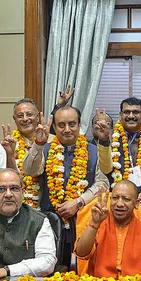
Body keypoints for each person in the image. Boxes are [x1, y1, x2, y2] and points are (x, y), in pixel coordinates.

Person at [23, 106, 109, 266]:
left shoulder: (94, 151)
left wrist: (79, 201)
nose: (67, 129)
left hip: (84, 223)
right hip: (50, 225)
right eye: (61, 125)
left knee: (81, 270)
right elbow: (30, 170)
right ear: (54, 127)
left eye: (72, 124)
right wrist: (39, 144)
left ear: (79, 125)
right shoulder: (45, 149)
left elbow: (102, 184)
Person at [74, 180, 141, 277]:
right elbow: (81, 253)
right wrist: (94, 224)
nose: (119, 204)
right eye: (115, 198)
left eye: (126, 199)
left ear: (136, 203)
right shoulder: (98, 224)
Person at [94, 98, 141, 201]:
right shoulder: (110, 137)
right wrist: (103, 140)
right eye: (126, 112)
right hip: (114, 198)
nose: (130, 116)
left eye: (135, 112)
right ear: (120, 115)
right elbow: (106, 169)